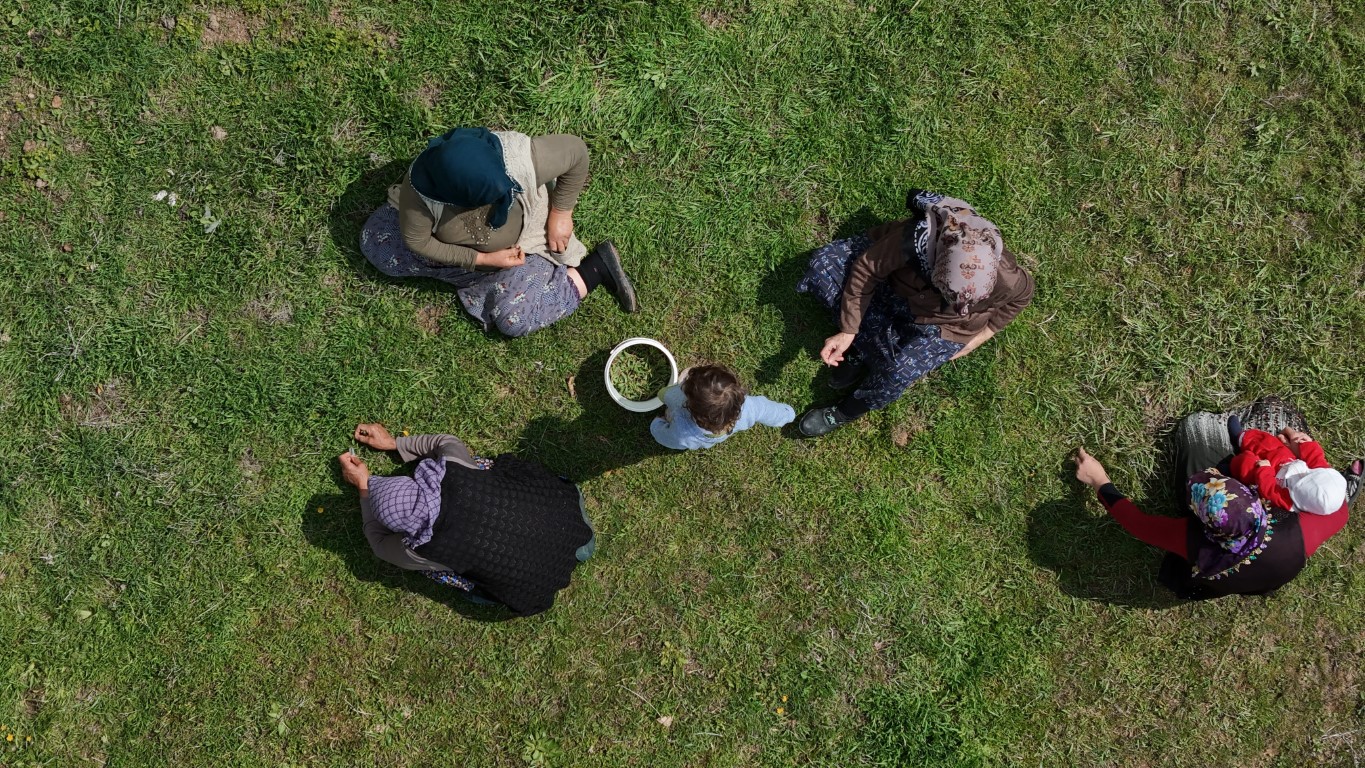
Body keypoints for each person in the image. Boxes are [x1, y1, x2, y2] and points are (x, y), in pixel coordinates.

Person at [795, 189, 1034, 436]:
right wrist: (848, 329)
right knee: (823, 264)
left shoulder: (1007, 278)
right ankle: (864, 345)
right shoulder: (914, 240)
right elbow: (867, 269)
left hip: (944, 326)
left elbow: (1022, 298)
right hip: (895, 289)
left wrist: (984, 335)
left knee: (899, 373)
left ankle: (846, 410)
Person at [359, 127, 637, 337]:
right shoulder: (420, 193)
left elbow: (575, 152)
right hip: (474, 255)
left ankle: (595, 270)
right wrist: (480, 261)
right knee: (376, 243)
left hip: (527, 242)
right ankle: (480, 279)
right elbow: (417, 241)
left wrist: (561, 213)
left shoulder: (519, 158)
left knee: (512, 320)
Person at [336, 422, 595, 616]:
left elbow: (380, 546)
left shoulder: (423, 548)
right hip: (564, 514)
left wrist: (363, 487)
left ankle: (580, 550)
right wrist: (393, 443)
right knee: (485, 468)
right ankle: (585, 547)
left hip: (535, 584)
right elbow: (443, 441)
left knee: (445, 572)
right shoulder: (453, 466)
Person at [1072, 434, 1351, 600]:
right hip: (1273, 572)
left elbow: (1139, 525)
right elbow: (1339, 506)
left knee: (1196, 450)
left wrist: (1098, 479)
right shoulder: (1317, 519)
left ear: (1207, 527)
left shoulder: (1196, 542)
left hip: (1218, 572)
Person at [650, 365, 795, 450]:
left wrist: (657, 424)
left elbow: (667, 437)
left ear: (689, 405)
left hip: (692, 432)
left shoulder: (684, 432)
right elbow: (771, 412)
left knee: (668, 398)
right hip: (714, 434)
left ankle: (670, 412)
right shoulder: (750, 407)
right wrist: (788, 414)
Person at [1227, 417, 1347, 516]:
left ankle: (1231, 464)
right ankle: (1241, 437)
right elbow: (1316, 459)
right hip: (1286, 459)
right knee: (1268, 442)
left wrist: (1264, 470)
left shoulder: (1289, 502)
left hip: (1267, 475)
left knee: (1246, 466)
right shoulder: (1324, 475)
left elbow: (1270, 491)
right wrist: (1308, 444)